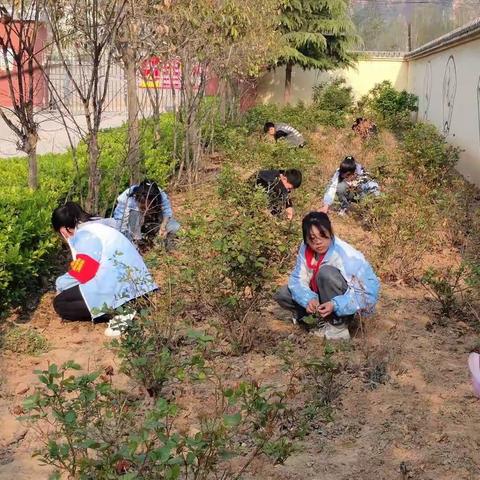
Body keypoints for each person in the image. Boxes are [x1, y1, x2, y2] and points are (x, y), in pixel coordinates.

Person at [52, 202, 157, 336]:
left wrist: (60, 284)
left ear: (65, 229)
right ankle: (129, 306)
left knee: (61, 303)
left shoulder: (85, 235)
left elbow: (84, 272)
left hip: (120, 290)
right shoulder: (100, 227)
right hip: (140, 288)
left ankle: (119, 311)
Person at [274, 212, 380, 340]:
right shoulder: (305, 248)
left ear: (330, 232)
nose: (318, 242)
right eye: (312, 238)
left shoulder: (347, 255)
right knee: (284, 294)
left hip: (343, 302)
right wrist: (308, 299)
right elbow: (297, 280)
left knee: (326, 273)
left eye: (323, 236)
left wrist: (335, 305)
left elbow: (367, 294)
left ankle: (338, 326)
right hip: (320, 297)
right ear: (306, 239)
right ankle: (315, 323)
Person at [113, 179, 180, 249]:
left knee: (174, 227)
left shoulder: (159, 194)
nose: (146, 210)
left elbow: (167, 211)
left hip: (153, 222)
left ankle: (165, 243)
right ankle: (137, 243)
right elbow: (120, 220)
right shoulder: (127, 197)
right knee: (134, 214)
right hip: (134, 226)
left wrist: (163, 226)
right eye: (143, 207)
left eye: (149, 206)